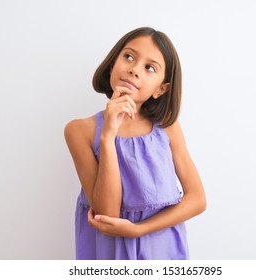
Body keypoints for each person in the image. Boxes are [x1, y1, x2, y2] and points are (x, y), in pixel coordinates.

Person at [64, 27, 206, 260]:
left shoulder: (167, 128)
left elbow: (197, 199)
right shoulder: (80, 130)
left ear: (161, 89)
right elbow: (106, 212)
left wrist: (138, 230)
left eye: (150, 68)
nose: (134, 69)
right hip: (109, 251)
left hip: (162, 247)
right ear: (112, 65)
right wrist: (108, 136)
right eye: (128, 57)